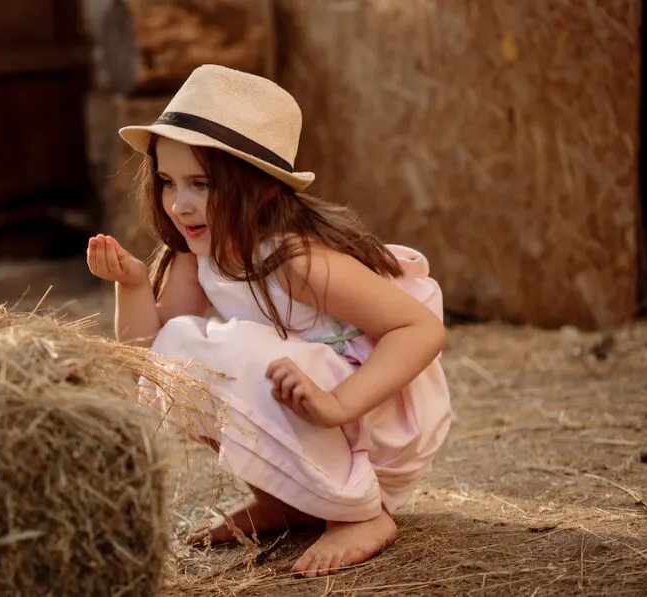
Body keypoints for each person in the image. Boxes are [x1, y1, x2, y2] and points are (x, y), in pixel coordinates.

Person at [86, 64, 451, 578]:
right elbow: (154, 358)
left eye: (201, 184)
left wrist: (335, 404)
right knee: (189, 358)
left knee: (242, 355)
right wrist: (131, 285)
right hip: (304, 397)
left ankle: (362, 512)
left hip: (371, 421)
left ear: (262, 190)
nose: (179, 204)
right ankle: (290, 500)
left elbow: (420, 330)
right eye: (168, 182)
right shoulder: (195, 257)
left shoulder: (296, 260)